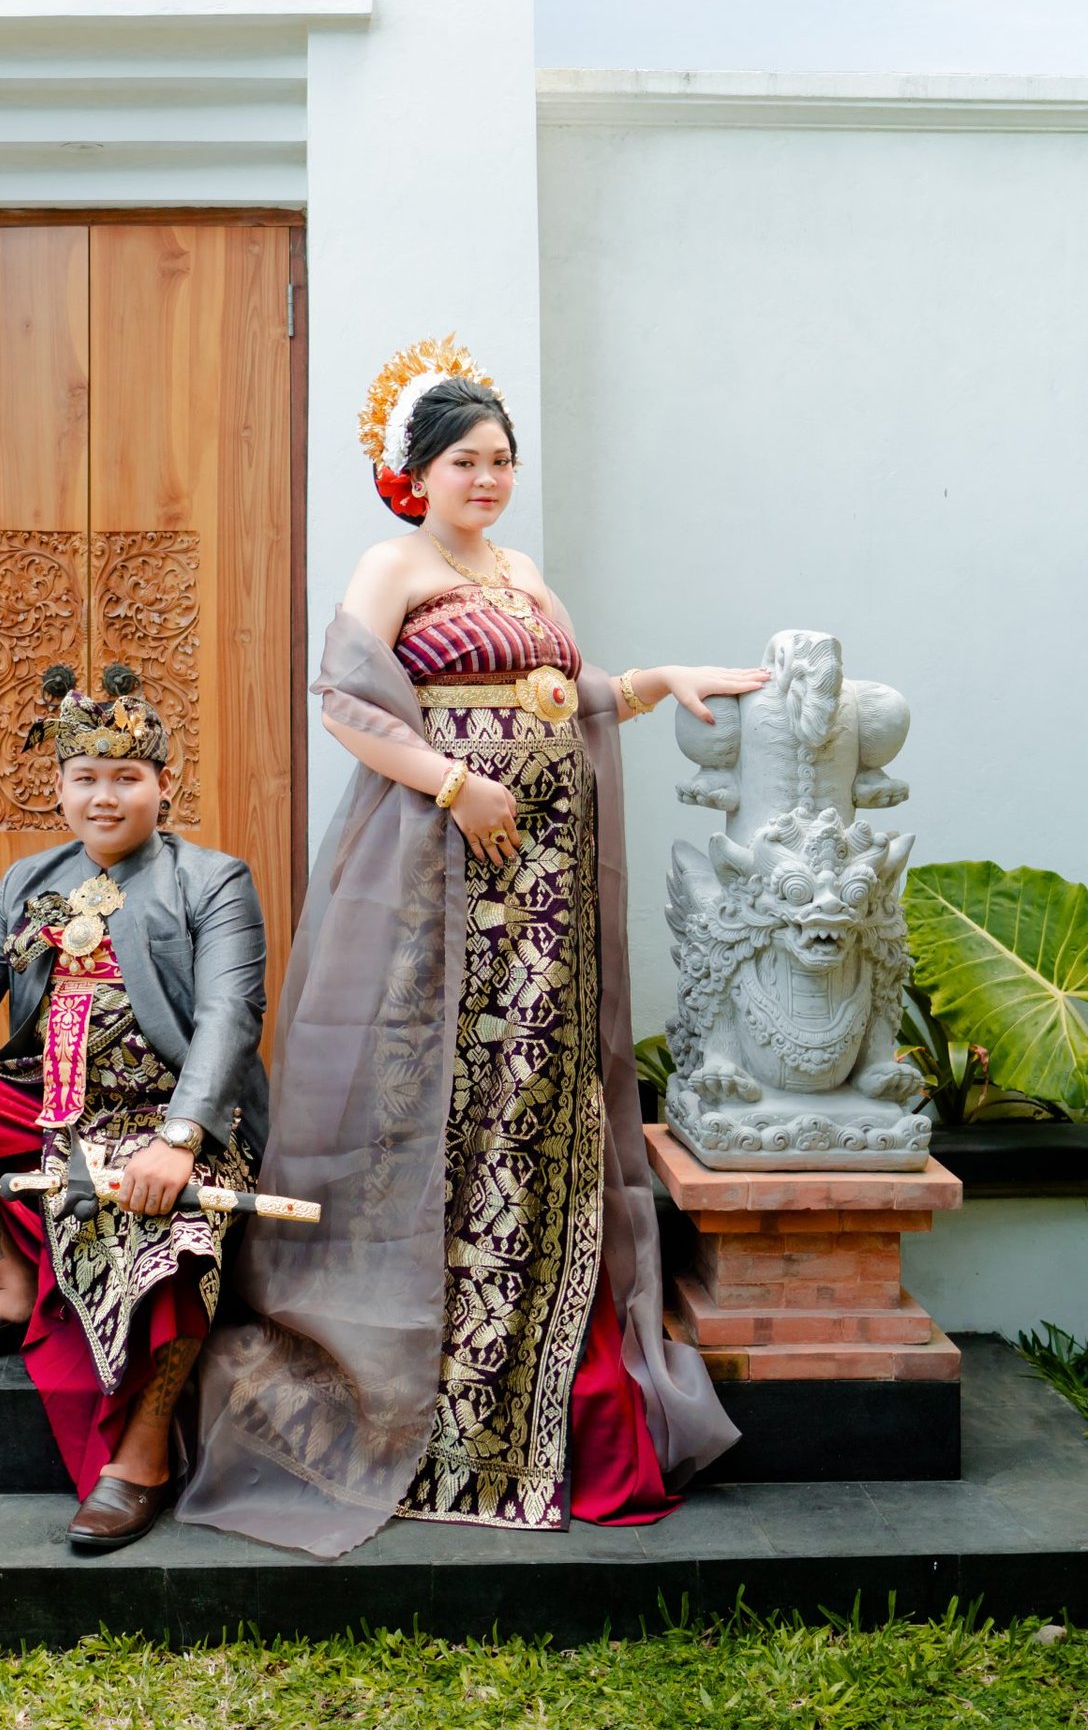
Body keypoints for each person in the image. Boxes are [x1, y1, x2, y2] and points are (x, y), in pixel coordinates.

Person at [180, 338, 764, 1555]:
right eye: (465, 461)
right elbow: (344, 702)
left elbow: (564, 693)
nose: (488, 479)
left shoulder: (521, 571)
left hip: (543, 883)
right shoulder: (392, 565)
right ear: (417, 473)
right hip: (437, 871)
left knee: (531, 1093)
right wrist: (454, 784)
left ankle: (530, 1361)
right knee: (432, 1093)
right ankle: (423, 1381)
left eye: (502, 459)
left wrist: (659, 678)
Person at [0, 664, 268, 1555]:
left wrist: (179, 1140)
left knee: (173, 1236)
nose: (104, 797)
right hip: (48, 1107)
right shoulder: (27, 879)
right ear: (60, 789)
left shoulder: (214, 880)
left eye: (126, 777)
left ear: (164, 784)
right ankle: (12, 1285)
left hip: (169, 1115)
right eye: (86, 778)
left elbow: (230, 1019)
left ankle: (141, 1455)